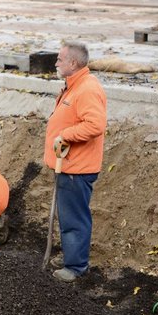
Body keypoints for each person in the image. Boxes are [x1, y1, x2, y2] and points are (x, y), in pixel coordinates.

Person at [45, 41, 107, 282]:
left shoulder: (87, 89)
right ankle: (72, 256)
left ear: (73, 62)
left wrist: (65, 135)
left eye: (60, 59)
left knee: (74, 218)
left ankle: (75, 267)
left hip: (76, 168)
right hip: (68, 165)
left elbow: (95, 125)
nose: (56, 63)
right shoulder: (74, 85)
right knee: (68, 216)